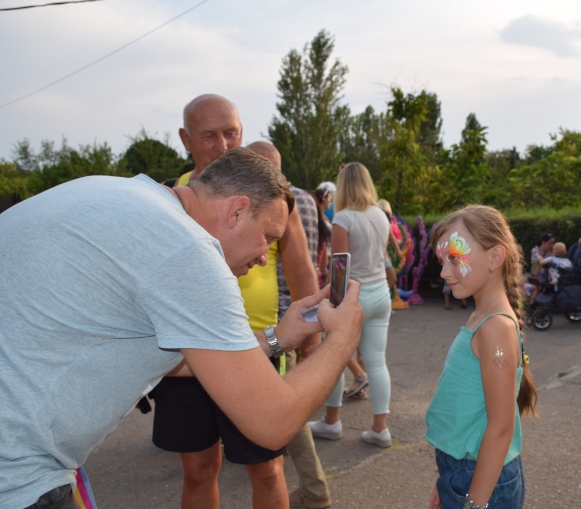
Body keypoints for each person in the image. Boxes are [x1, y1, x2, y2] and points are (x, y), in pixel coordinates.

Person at [0, 148, 364, 509]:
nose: (263, 256)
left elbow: (178, 357)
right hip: (17, 476)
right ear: (237, 211)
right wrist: (342, 339)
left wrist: (279, 338)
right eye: (268, 238)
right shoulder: (187, 251)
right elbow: (273, 421)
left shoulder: (118, 192)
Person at [154, 101, 320, 509]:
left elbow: (300, 269)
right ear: (186, 140)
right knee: (198, 470)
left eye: (231, 132)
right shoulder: (172, 197)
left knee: (266, 469)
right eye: (209, 135)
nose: (223, 144)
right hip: (184, 351)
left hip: (259, 345)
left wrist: (312, 332)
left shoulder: (272, 193)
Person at [426, 205, 536, 509]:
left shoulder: (496, 329)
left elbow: (500, 430)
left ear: (495, 258)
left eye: (455, 258)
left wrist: (474, 502)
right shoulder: (481, 318)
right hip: (463, 472)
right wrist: (445, 480)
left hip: (482, 480)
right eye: (442, 260)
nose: (444, 271)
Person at [248, 141, 332, 509]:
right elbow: (316, 258)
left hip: (281, 317)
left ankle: (315, 491)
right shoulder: (307, 199)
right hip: (300, 309)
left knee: (286, 411)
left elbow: (297, 263)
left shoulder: (270, 203)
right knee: (287, 406)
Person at [309, 163, 394, 448]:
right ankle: (380, 429)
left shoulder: (344, 217)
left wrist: (331, 305)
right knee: (377, 361)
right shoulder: (381, 215)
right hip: (380, 293)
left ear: (344, 185)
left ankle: (332, 422)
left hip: (354, 296)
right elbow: (382, 257)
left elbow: (340, 268)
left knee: (334, 357)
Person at [528, 232, 555, 302]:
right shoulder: (535, 250)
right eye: (550, 243)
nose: (552, 245)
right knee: (538, 287)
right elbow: (541, 262)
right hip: (535, 277)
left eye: (553, 243)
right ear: (543, 242)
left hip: (545, 278)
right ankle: (532, 306)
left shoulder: (550, 252)